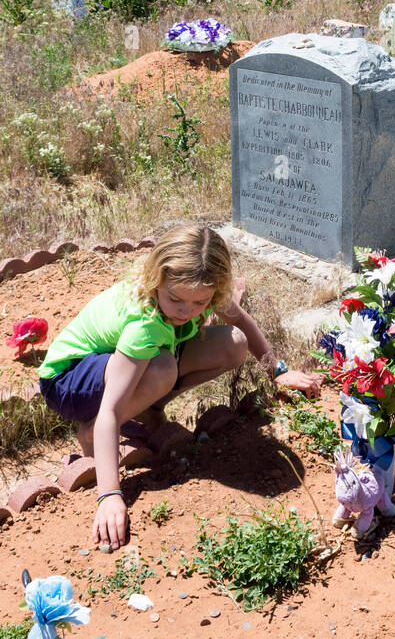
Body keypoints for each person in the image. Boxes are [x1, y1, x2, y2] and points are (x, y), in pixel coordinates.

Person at [38, 223, 320, 551]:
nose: (187, 312)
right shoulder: (144, 323)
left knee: (233, 343)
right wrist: (110, 495)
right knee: (161, 368)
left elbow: (240, 321)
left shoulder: (197, 288)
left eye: (201, 303)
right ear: (157, 279)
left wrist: (278, 371)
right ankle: (92, 434)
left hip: (119, 362)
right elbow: (111, 411)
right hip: (69, 380)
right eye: (176, 300)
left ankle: (146, 408)